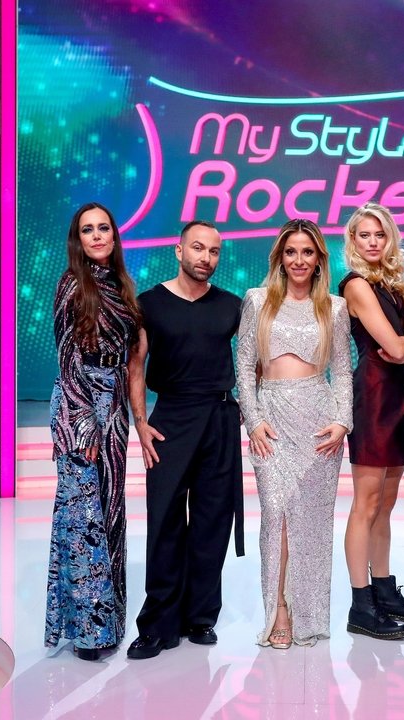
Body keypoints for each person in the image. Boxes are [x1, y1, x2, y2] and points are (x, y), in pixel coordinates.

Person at [126, 220, 245, 660]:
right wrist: (141, 423)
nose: (205, 258)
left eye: (214, 251)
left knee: (213, 522)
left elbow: (251, 362)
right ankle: (158, 624)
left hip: (219, 418)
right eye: (198, 248)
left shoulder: (231, 306)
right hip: (170, 419)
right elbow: (135, 366)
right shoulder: (149, 304)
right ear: (179, 251)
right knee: (164, 523)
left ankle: (200, 616)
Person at [237, 218, 353, 649]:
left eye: (307, 252)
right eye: (291, 252)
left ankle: (308, 616)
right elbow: (243, 365)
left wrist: (342, 421)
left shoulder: (335, 307)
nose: (299, 260)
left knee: (312, 523)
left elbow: (343, 371)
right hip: (271, 422)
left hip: (319, 424)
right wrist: (253, 419)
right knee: (275, 515)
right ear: (280, 258)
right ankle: (279, 611)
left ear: (319, 258)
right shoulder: (258, 300)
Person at [44, 201, 143, 661]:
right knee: (82, 520)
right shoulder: (71, 284)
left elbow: (132, 354)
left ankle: (111, 621)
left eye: (104, 227)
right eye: (88, 230)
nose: (98, 235)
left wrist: (123, 414)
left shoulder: (122, 286)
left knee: (109, 511)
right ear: (78, 240)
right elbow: (66, 358)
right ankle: (88, 632)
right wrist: (83, 423)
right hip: (78, 407)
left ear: (114, 236)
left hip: (114, 406)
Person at [337, 203, 404, 640]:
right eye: (364, 235)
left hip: (401, 397)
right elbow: (397, 347)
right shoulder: (356, 285)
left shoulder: (396, 283)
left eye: (380, 234)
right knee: (367, 503)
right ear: (353, 241)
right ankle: (361, 605)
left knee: (386, 505)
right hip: (373, 399)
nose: (373, 242)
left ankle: (385, 590)